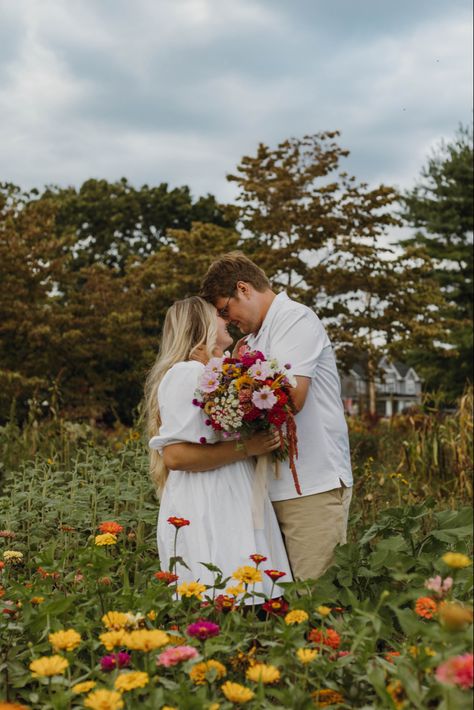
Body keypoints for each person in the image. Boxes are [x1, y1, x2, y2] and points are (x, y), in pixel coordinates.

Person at [200, 253, 353, 581]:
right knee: (281, 604)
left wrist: (230, 383)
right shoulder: (251, 341)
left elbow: (291, 397)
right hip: (269, 488)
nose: (227, 321)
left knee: (316, 601)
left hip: (311, 485)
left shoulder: (295, 319)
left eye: (226, 310)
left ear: (244, 289)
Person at [144, 296, 292, 599]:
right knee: (221, 593)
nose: (227, 318)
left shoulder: (217, 373)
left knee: (246, 594)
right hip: (208, 499)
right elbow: (175, 455)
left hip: (229, 491)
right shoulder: (187, 373)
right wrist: (247, 447)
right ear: (203, 326)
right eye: (219, 315)